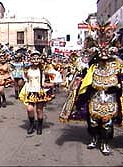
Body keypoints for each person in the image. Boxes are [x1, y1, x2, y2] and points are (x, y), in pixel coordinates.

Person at [60, 22, 123, 156]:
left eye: (108, 49)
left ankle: (104, 143)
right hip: (94, 96)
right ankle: (94, 139)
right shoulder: (91, 65)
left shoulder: (117, 64)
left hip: (110, 97)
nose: (104, 53)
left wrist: (118, 86)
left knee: (107, 122)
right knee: (93, 122)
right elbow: (80, 74)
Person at [19, 52, 54, 135]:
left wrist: (50, 84)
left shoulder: (43, 69)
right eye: (34, 58)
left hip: (39, 91)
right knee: (29, 109)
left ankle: (39, 126)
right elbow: (25, 79)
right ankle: (31, 124)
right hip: (30, 90)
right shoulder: (26, 69)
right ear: (30, 59)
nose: (36, 60)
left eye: (37, 58)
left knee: (39, 110)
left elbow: (50, 79)